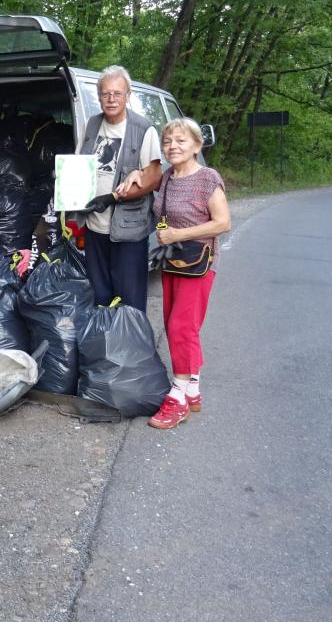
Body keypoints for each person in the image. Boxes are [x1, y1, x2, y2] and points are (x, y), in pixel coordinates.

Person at [147, 118, 230, 429]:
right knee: (177, 324)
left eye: (181, 141)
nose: (173, 146)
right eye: (168, 141)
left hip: (199, 263)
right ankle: (193, 389)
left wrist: (177, 236)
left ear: (197, 145)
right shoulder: (168, 177)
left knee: (181, 326)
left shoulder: (207, 178)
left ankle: (178, 397)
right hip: (173, 260)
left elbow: (222, 223)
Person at [78, 65, 162, 312]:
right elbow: (78, 163)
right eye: (105, 93)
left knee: (130, 299)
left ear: (128, 95)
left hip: (129, 230)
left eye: (117, 93)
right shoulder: (92, 124)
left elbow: (153, 178)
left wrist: (112, 198)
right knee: (100, 295)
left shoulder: (143, 129)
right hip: (94, 226)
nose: (111, 99)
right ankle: (104, 347)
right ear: (99, 96)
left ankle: (134, 349)